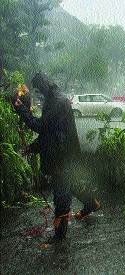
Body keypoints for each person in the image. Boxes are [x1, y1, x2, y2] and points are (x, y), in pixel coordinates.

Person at [14, 71, 101, 245]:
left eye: (38, 89)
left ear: (44, 85)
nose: (38, 93)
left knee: (61, 194)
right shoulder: (53, 101)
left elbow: (42, 127)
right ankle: (92, 204)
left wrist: (22, 110)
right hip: (62, 155)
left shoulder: (57, 102)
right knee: (72, 185)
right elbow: (50, 133)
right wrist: (32, 147)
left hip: (63, 158)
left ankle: (59, 237)